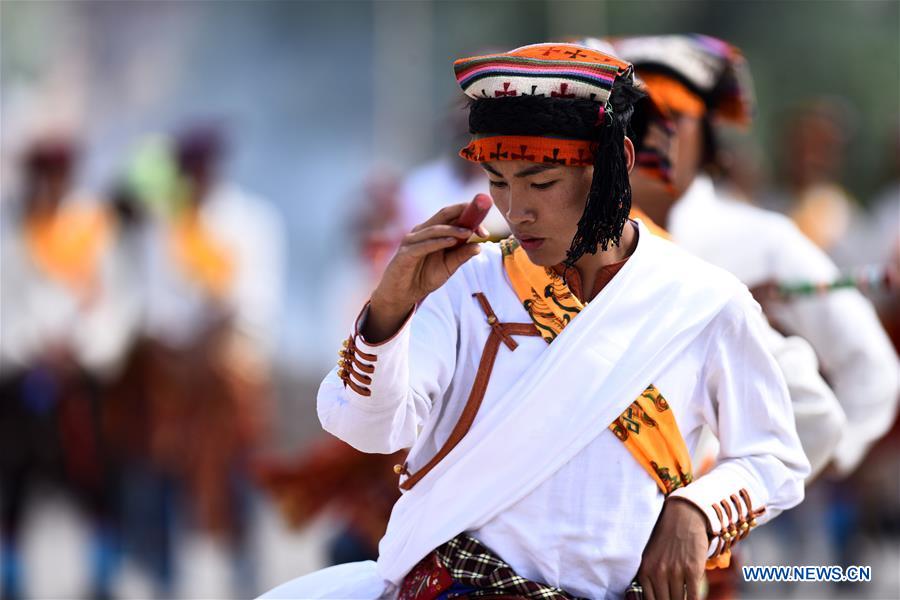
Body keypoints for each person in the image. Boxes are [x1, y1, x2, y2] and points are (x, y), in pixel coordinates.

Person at [262, 43, 808, 600]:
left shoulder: (705, 302)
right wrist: (390, 308)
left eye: (541, 183)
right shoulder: (463, 285)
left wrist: (697, 511)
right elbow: (368, 429)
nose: (515, 209)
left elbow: (774, 459)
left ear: (617, 160)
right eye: (498, 181)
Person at [614, 34, 900, 478]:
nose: (652, 133)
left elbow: (871, 366)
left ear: (708, 136)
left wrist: (808, 466)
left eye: (672, 116)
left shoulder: (763, 241)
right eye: (632, 117)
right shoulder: (557, 240)